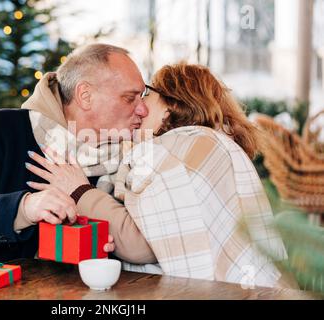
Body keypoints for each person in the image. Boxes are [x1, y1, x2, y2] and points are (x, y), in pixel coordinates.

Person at [26, 62, 298, 288]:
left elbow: (141, 243)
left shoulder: (172, 147)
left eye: (146, 94)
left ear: (172, 102)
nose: (139, 107)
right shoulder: (212, 143)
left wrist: (80, 191)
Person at [0, 43, 152, 285]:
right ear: (85, 96)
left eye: (142, 97)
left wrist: (104, 248)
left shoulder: (127, 161)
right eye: (130, 98)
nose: (142, 109)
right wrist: (23, 209)